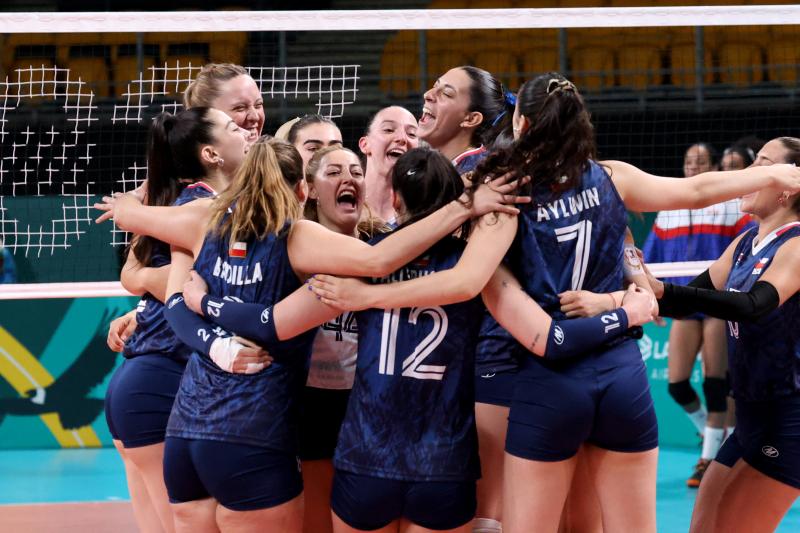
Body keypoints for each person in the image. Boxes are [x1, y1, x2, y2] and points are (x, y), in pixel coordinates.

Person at [331, 73, 800, 533]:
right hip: (622, 374)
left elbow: (465, 281)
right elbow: (695, 192)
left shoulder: (507, 192)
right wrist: (773, 172)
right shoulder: (611, 176)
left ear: (521, 126)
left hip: (546, 374)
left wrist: (371, 294)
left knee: (515, 518)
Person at [96, 139, 528, 532]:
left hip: (195, 428)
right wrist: (470, 206)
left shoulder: (206, 224)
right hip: (282, 431)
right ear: (305, 191)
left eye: (356, 170)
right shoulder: (313, 246)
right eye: (333, 170)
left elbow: (166, 289)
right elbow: (378, 265)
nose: (349, 180)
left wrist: (190, 309)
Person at [103, 107, 253, 533]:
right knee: (191, 521)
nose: (245, 129)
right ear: (210, 153)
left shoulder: (186, 202)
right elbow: (166, 285)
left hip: (149, 377)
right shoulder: (199, 206)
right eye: (232, 125)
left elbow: (139, 274)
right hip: (160, 380)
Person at [649, 137, 800, 533]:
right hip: (751, 416)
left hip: (788, 419)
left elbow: (753, 305)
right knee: (703, 526)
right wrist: (618, 293)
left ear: (788, 185)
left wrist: (663, 290)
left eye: (763, 165)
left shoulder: (797, 245)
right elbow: (681, 305)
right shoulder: (745, 242)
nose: (747, 174)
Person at [419, 65, 518, 532]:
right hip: (445, 356)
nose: (429, 95)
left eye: (445, 92)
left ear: (471, 119)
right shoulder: (437, 172)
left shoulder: (485, 174)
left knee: (486, 512)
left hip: (489, 353)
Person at [643, 142, 753, 487]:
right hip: (682, 303)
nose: (693, 166)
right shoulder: (667, 210)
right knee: (677, 385)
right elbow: (651, 258)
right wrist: (650, 296)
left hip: (717, 302)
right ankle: (712, 434)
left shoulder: (733, 206)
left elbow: (744, 253)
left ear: (713, 167)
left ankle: (709, 457)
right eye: (689, 161)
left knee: (715, 381)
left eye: (701, 161)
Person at [419, 65, 514, 174]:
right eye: (435, 86)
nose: (427, 94)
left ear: (471, 119)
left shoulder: (479, 175)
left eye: (447, 93)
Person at [358, 105, 419, 223]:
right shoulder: (339, 207)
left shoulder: (426, 215)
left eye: (411, 134)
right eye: (388, 130)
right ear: (365, 145)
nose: (402, 138)